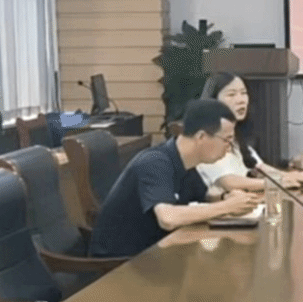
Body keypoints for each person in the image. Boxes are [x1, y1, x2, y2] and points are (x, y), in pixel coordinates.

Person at [89, 99, 258, 258]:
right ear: (201, 137)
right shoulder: (155, 162)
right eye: (226, 140)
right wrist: (227, 206)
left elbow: (205, 195)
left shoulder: (186, 162)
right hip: (122, 264)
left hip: (158, 253)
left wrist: (226, 197)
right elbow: (168, 218)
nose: (228, 148)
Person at [194, 72, 303, 196]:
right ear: (212, 101)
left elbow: (259, 168)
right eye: (231, 94)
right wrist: (278, 182)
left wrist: (288, 176)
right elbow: (227, 182)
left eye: (244, 93)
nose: (241, 100)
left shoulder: (237, 136)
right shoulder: (206, 138)